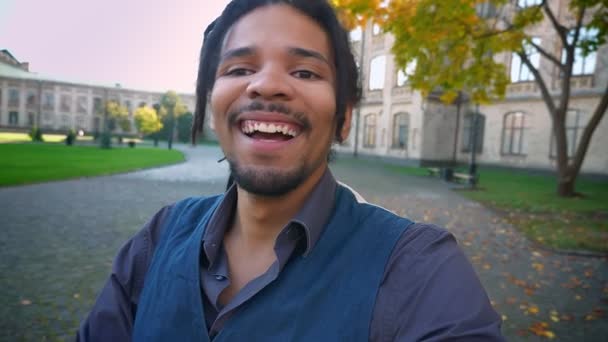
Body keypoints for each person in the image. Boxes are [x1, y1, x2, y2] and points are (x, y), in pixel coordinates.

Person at [78, 0, 505, 341]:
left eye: (305, 71)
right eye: (239, 68)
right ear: (211, 105)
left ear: (345, 118)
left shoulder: (418, 270)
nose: (265, 84)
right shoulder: (158, 238)